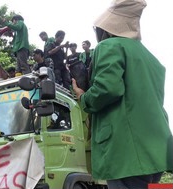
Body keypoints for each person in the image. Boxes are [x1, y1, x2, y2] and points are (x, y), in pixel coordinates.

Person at [72, 0, 173, 188]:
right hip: (157, 150)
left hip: (124, 150)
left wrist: (82, 97)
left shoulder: (109, 46)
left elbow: (108, 88)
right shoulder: (153, 60)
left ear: (106, 28)